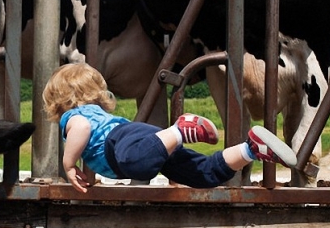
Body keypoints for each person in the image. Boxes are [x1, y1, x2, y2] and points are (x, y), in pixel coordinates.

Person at [42, 62, 298, 193]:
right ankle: (251, 149)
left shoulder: (73, 115)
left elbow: (83, 128)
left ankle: (179, 130)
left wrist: (68, 164)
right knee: (202, 174)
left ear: (58, 99)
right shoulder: (96, 110)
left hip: (121, 142)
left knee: (136, 165)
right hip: (146, 138)